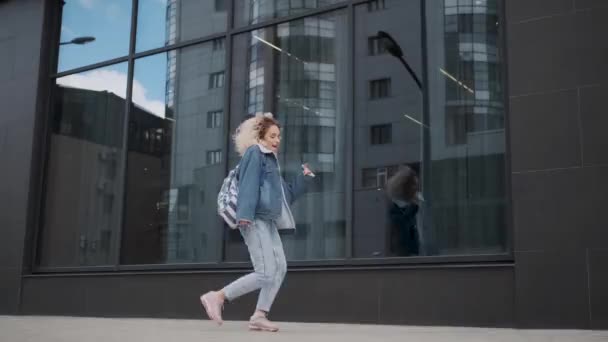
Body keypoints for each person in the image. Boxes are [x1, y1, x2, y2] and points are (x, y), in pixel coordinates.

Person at [200, 113, 314, 332]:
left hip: (268, 222)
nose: (277, 140)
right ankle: (218, 296)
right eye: (272, 135)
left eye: (279, 136)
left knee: (279, 267)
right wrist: (244, 216)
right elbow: (248, 185)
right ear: (260, 137)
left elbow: (285, 196)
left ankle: (259, 315)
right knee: (265, 272)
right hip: (253, 220)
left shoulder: (271, 162)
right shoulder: (255, 154)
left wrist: (304, 178)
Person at [386, 166, 420, 257]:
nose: (416, 189)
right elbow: (401, 227)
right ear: (404, 186)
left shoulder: (411, 207)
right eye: (414, 185)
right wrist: (413, 207)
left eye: (417, 185)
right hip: (402, 257)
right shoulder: (395, 207)